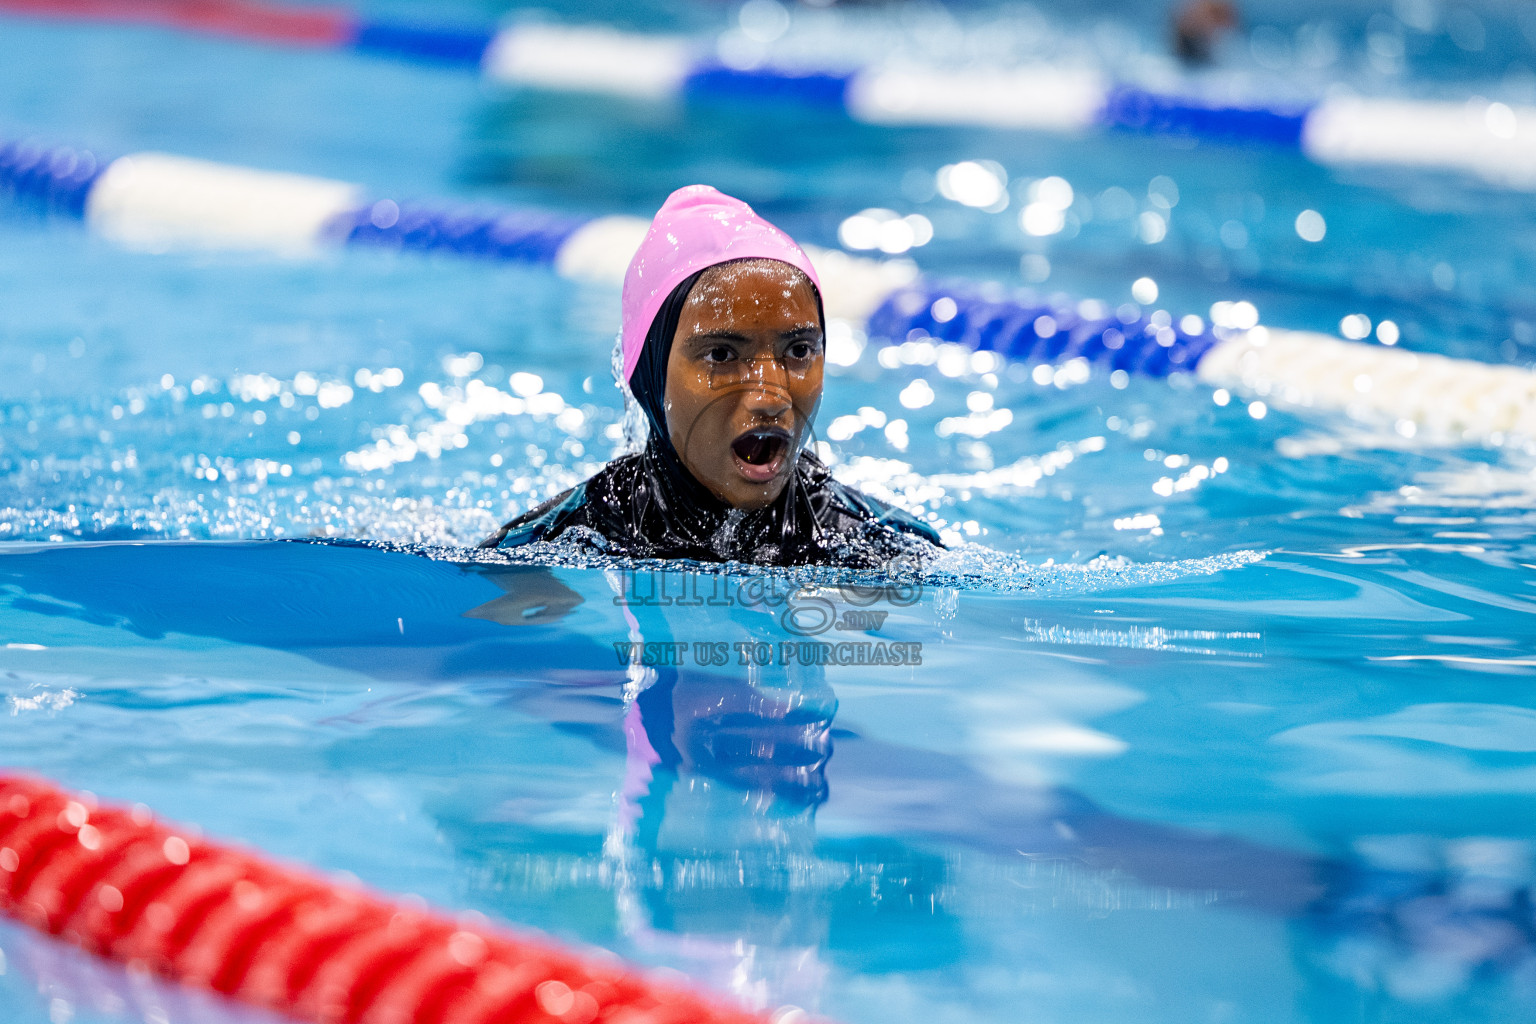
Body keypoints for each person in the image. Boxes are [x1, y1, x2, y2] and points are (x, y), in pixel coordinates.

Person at [481, 185, 943, 568]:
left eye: (799, 351)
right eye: (721, 355)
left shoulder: (874, 543)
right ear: (648, 375)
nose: (771, 396)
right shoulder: (567, 539)